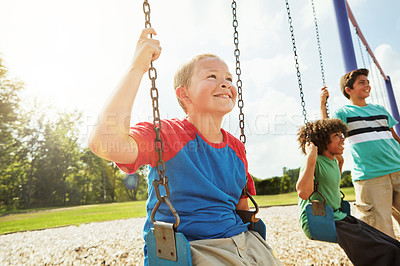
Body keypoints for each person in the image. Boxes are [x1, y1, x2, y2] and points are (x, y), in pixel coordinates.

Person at [88, 28, 281, 266]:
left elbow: (242, 204)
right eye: (212, 77)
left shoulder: (236, 148)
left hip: (244, 242)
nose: (224, 83)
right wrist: (137, 67)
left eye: (229, 79)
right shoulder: (167, 135)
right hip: (193, 249)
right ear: (184, 95)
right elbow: (105, 143)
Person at [296, 119, 400, 265]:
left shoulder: (333, 160)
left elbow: (330, 185)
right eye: (337, 135)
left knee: (393, 244)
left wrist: (340, 163)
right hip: (320, 219)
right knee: (386, 251)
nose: (343, 139)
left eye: (342, 134)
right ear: (323, 140)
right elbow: (303, 193)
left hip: (338, 216)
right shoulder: (314, 161)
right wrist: (311, 158)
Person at [320, 68, 400, 238]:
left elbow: (394, 137)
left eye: (368, 82)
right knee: (381, 231)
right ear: (348, 90)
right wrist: (322, 104)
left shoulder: (380, 109)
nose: (367, 85)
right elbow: (329, 134)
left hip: (398, 169)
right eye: (361, 82)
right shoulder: (343, 113)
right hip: (371, 177)